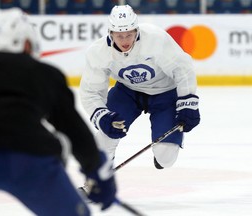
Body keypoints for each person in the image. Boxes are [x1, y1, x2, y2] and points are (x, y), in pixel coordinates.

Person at [0, 8, 116, 216]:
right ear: (27, 42)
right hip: (28, 158)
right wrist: (96, 170)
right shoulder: (44, 73)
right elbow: (74, 129)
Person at [79, 5, 200, 170]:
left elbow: (182, 68)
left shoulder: (155, 38)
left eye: (129, 34)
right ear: (110, 33)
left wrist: (188, 102)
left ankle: (162, 153)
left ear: (137, 31)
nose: (125, 41)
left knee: (166, 158)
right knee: (105, 137)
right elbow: (90, 92)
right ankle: (100, 175)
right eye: (119, 36)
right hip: (127, 93)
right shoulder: (98, 52)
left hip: (165, 94)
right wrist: (102, 116)